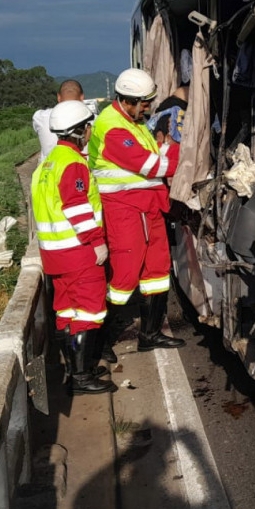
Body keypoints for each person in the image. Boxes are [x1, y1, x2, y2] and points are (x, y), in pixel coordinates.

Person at [88, 68, 186, 355]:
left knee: (157, 270)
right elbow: (154, 165)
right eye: (144, 103)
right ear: (127, 100)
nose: (148, 108)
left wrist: (166, 149)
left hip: (149, 206)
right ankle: (100, 342)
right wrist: (181, 150)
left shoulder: (133, 121)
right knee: (124, 277)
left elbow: (154, 155)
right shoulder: (114, 128)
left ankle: (151, 334)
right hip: (125, 211)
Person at [30, 100, 115, 395]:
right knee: (89, 312)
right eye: (89, 127)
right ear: (81, 131)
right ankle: (82, 376)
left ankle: (75, 369)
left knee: (66, 311)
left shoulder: (46, 164)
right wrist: (97, 242)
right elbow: (77, 208)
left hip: (54, 257)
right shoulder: (74, 164)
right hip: (78, 254)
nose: (91, 131)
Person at [33, 80, 97, 161]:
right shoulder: (95, 119)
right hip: (81, 167)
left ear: (58, 97)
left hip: (48, 170)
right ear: (82, 97)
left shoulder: (40, 117)